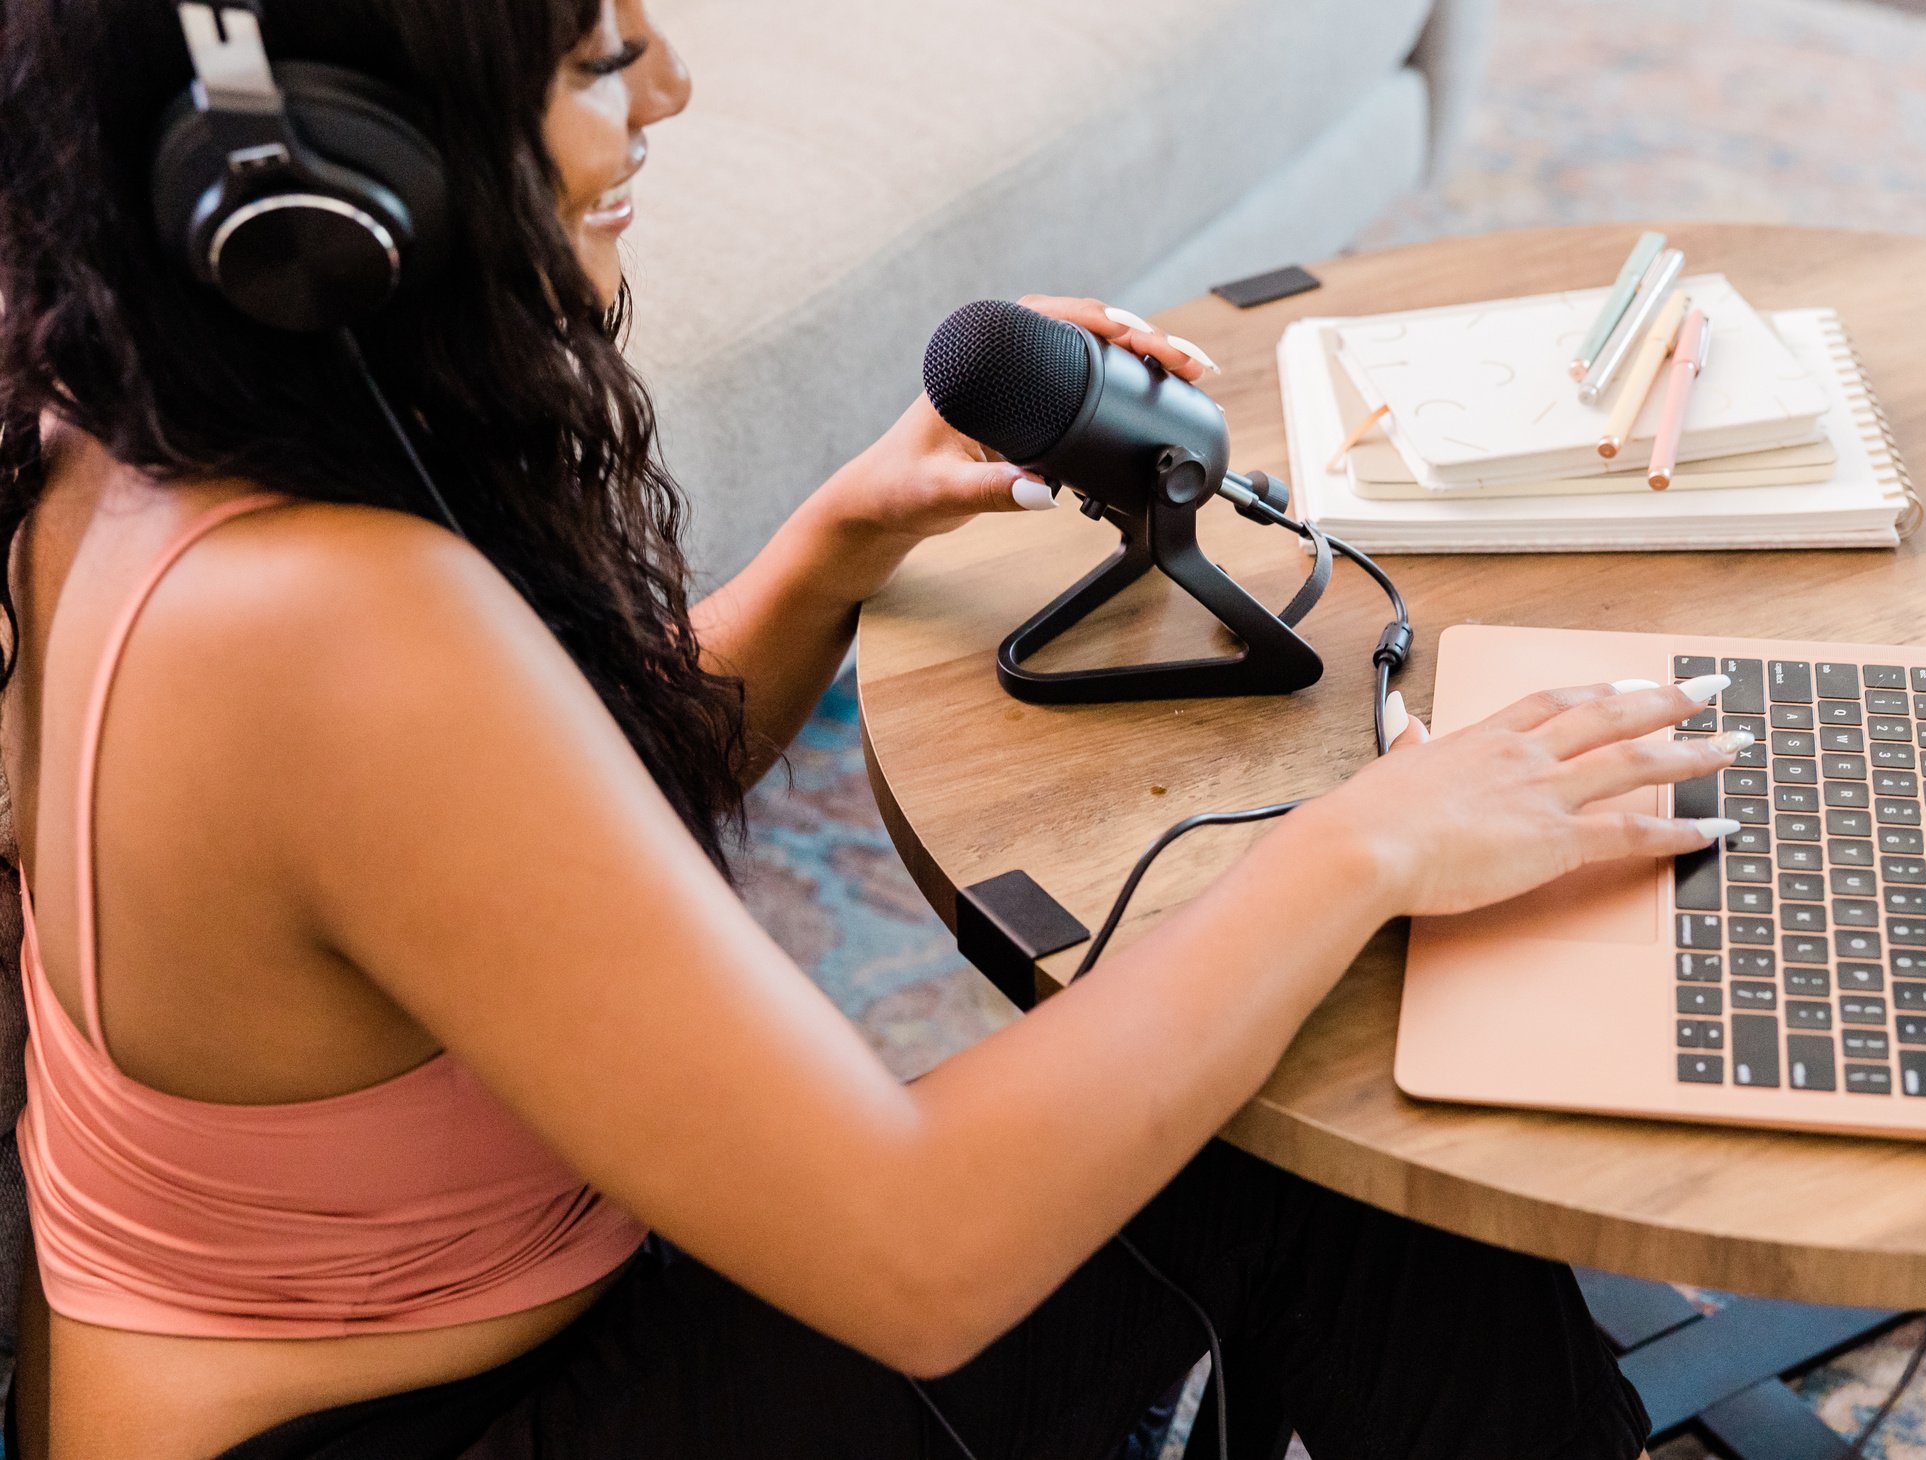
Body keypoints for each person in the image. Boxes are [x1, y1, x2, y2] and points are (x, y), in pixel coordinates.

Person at [0, 2, 1742, 1456]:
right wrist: (1366, 844)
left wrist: (835, 539)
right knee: (1306, 1138)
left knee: (1245, 1052)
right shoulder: (330, 628)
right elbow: (917, 1254)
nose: (668, 88)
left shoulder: (130, 424)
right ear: (332, 190)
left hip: (422, 1354)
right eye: (599, 61)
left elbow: (510, 841)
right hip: (422, 1434)